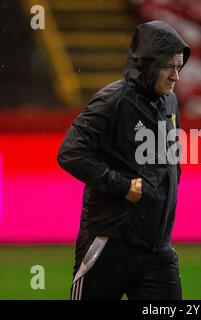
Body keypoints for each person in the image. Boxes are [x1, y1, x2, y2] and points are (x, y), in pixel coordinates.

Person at [57, 20, 190, 300]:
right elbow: (70, 152)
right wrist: (122, 185)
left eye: (179, 67)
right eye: (169, 66)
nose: (176, 76)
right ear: (148, 64)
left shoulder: (170, 102)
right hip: (110, 243)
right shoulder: (112, 100)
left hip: (158, 249)